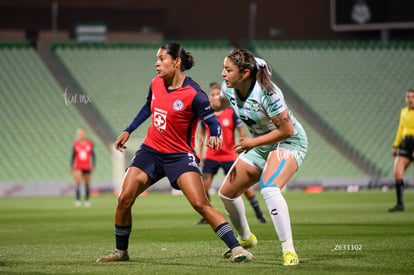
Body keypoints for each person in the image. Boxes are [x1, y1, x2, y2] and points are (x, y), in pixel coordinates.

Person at [96, 43, 253, 263]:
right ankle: (120, 252)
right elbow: (147, 107)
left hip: (180, 156)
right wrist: (128, 130)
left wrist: (216, 133)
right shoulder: (155, 83)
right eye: (156, 59)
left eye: (161, 58)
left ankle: (237, 249)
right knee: (124, 198)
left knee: (200, 203)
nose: (156, 63)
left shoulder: (194, 93)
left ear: (176, 62)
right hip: (150, 152)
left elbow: (212, 120)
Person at [210, 49, 308, 266]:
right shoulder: (229, 88)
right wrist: (196, 98)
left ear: (244, 73)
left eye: (228, 69)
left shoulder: (268, 92)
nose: (223, 74)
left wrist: (252, 143)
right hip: (262, 145)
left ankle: (289, 250)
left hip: (288, 143)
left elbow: (287, 131)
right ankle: (246, 239)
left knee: (270, 188)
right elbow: (217, 104)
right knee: (226, 193)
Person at [196, 82, 267, 225]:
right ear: (209, 97)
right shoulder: (206, 114)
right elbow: (201, 135)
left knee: (244, 187)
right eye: (213, 94)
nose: (216, 97)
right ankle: (206, 216)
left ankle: (259, 214)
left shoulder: (230, 112)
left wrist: (240, 145)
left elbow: (241, 130)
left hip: (229, 156)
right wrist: (200, 154)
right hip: (211, 157)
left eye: (218, 94)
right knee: (204, 188)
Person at [389, 89, 414, 212]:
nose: (410, 99)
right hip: (405, 143)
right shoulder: (403, 112)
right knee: (397, 173)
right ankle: (400, 204)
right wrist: (395, 145)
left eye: (412, 97)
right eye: (408, 97)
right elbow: (401, 128)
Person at [70, 128, 95, 207]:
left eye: (83, 133)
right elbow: (73, 155)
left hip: (87, 166)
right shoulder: (76, 144)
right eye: (81, 133)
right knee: (78, 183)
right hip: (78, 166)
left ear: (85, 134)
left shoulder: (90, 143)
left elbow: (93, 155)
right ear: (79, 135)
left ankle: (87, 200)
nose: (82, 135)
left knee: (87, 184)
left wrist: (93, 165)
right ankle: (77, 200)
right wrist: (71, 165)